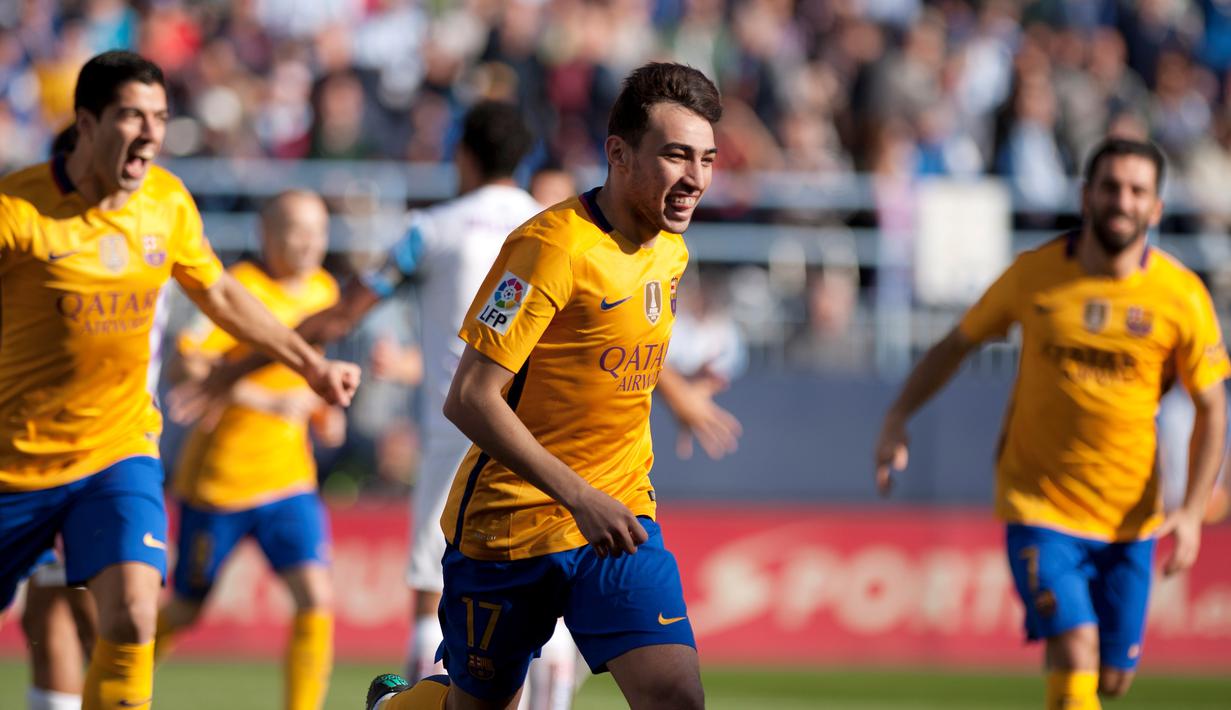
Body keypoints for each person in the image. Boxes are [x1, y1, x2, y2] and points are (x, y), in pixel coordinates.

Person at [0, 50, 360, 710]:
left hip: (117, 449)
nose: (149, 133)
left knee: (134, 615)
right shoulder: (16, 211)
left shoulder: (166, 202)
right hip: (14, 461)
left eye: (159, 117)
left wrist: (309, 366)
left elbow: (219, 293)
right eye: (131, 115)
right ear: (86, 122)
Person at [364, 60, 723, 710]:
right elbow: (469, 396)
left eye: (706, 158)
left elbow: (606, 346)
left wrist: (674, 402)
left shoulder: (670, 251)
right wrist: (577, 496)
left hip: (618, 522)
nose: (695, 178)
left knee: (677, 699)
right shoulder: (548, 247)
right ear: (617, 153)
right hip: (508, 529)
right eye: (675, 156)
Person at [874, 137, 1229, 710]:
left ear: (1156, 208)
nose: (1122, 201)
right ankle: (1065, 650)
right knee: (1077, 643)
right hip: (1039, 505)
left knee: (1110, 680)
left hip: (1131, 519)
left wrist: (1191, 510)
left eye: (1138, 191)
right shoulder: (1034, 275)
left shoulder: (1181, 296)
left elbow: (1213, 406)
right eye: (1111, 187)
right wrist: (896, 416)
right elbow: (956, 344)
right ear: (1086, 195)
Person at [152, 190, 344, 710]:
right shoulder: (236, 289)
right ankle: (120, 670)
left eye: (319, 232)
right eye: (298, 231)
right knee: (187, 610)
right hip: (220, 484)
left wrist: (324, 412)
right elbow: (184, 366)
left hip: (289, 480)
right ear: (267, 234)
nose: (310, 244)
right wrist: (261, 397)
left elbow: (305, 380)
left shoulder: (325, 290)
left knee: (316, 599)